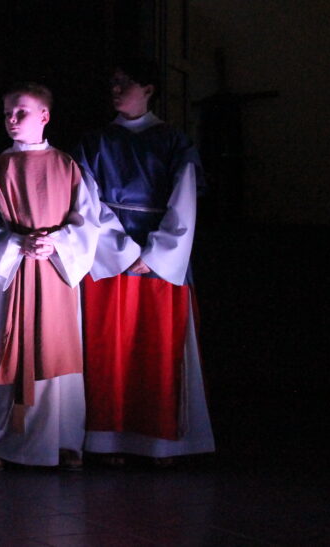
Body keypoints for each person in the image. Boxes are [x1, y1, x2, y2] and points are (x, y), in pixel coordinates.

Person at [75, 61, 214, 465]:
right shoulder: (95, 142)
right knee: (109, 348)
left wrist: (154, 254)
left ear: (149, 89)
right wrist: (122, 251)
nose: (116, 89)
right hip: (109, 259)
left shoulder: (173, 142)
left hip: (160, 261)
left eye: (126, 82)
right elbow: (86, 200)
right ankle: (108, 442)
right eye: (113, 82)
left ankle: (161, 444)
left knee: (157, 349)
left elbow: (184, 201)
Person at [0, 83, 98, 469]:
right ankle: (2, 443)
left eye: (21, 112)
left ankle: (63, 441)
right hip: (10, 276)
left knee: (55, 353)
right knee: (5, 352)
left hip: (54, 273)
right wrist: (16, 243)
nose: (11, 119)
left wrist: (56, 242)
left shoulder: (68, 167)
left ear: (45, 116)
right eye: (7, 113)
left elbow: (87, 222)